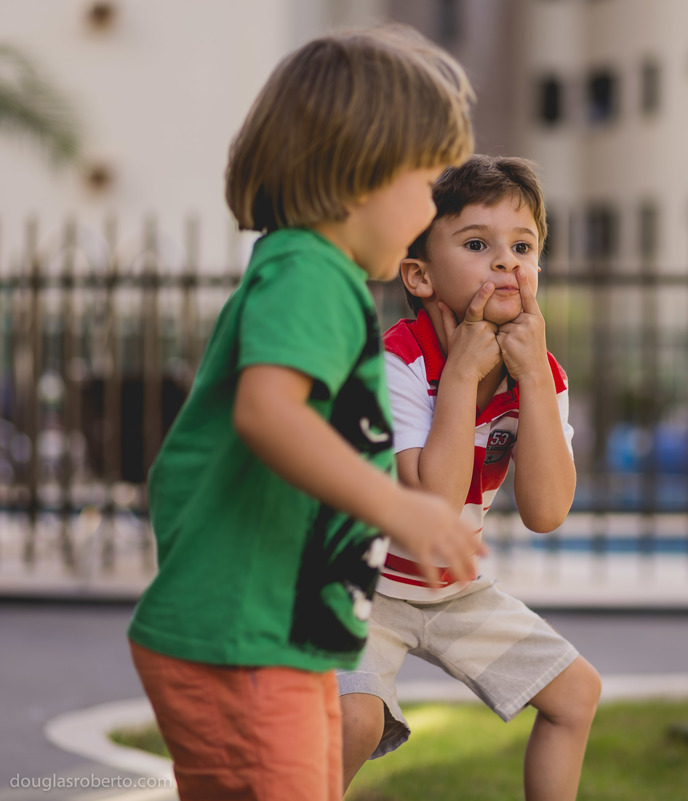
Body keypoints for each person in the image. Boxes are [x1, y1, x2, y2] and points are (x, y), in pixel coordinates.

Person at [126, 25, 484, 801]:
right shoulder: (313, 274)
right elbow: (268, 412)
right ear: (364, 171)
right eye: (427, 185)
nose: (431, 213)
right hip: (243, 641)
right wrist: (398, 506)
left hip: (268, 638)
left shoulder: (307, 268)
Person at [338, 155, 602, 801]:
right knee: (356, 717)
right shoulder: (396, 361)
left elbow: (546, 509)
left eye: (523, 246)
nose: (507, 262)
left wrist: (535, 378)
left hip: (453, 591)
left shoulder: (540, 376)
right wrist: (458, 376)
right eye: (478, 244)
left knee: (575, 694)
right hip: (363, 585)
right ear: (421, 275)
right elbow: (432, 499)